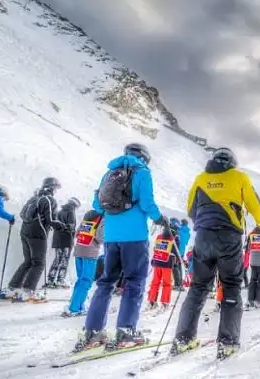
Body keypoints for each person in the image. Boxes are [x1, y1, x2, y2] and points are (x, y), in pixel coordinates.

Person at [172, 147, 260, 360]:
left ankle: (183, 339)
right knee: (232, 286)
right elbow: (255, 206)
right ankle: (228, 343)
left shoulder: (201, 178)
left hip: (203, 238)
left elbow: (191, 210)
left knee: (197, 287)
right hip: (229, 239)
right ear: (232, 162)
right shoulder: (239, 177)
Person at [77, 143, 168, 351]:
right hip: (134, 236)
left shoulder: (109, 172)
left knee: (106, 281)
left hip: (111, 237)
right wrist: (160, 219)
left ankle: (92, 332)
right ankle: (126, 331)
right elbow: (146, 204)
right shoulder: (142, 172)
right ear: (145, 158)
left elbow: (98, 204)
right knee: (135, 281)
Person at [8, 178, 66, 302]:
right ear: (51, 188)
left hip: (25, 232)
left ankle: (13, 288)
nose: (56, 191)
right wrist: (60, 225)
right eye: (56, 188)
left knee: (28, 261)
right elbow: (50, 220)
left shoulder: (33, 199)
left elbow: (22, 214)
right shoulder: (49, 200)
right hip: (38, 234)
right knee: (39, 263)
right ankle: (29, 291)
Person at [64, 209, 104, 317]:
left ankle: (78, 305)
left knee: (81, 279)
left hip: (79, 249)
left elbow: (77, 233)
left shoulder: (89, 215)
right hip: (90, 252)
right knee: (86, 280)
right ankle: (74, 308)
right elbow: (100, 236)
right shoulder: (103, 218)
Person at [46, 197, 81, 288]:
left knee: (57, 259)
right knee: (64, 260)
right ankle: (60, 280)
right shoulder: (71, 212)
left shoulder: (60, 211)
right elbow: (71, 227)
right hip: (66, 239)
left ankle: (50, 279)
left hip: (57, 239)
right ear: (74, 205)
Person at [147, 225, 179, 310]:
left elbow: (155, 248)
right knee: (167, 283)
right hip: (167, 264)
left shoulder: (159, 236)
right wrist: (178, 262)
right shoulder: (174, 239)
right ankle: (165, 302)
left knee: (155, 282)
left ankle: (151, 301)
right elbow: (176, 252)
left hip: (157, 262)